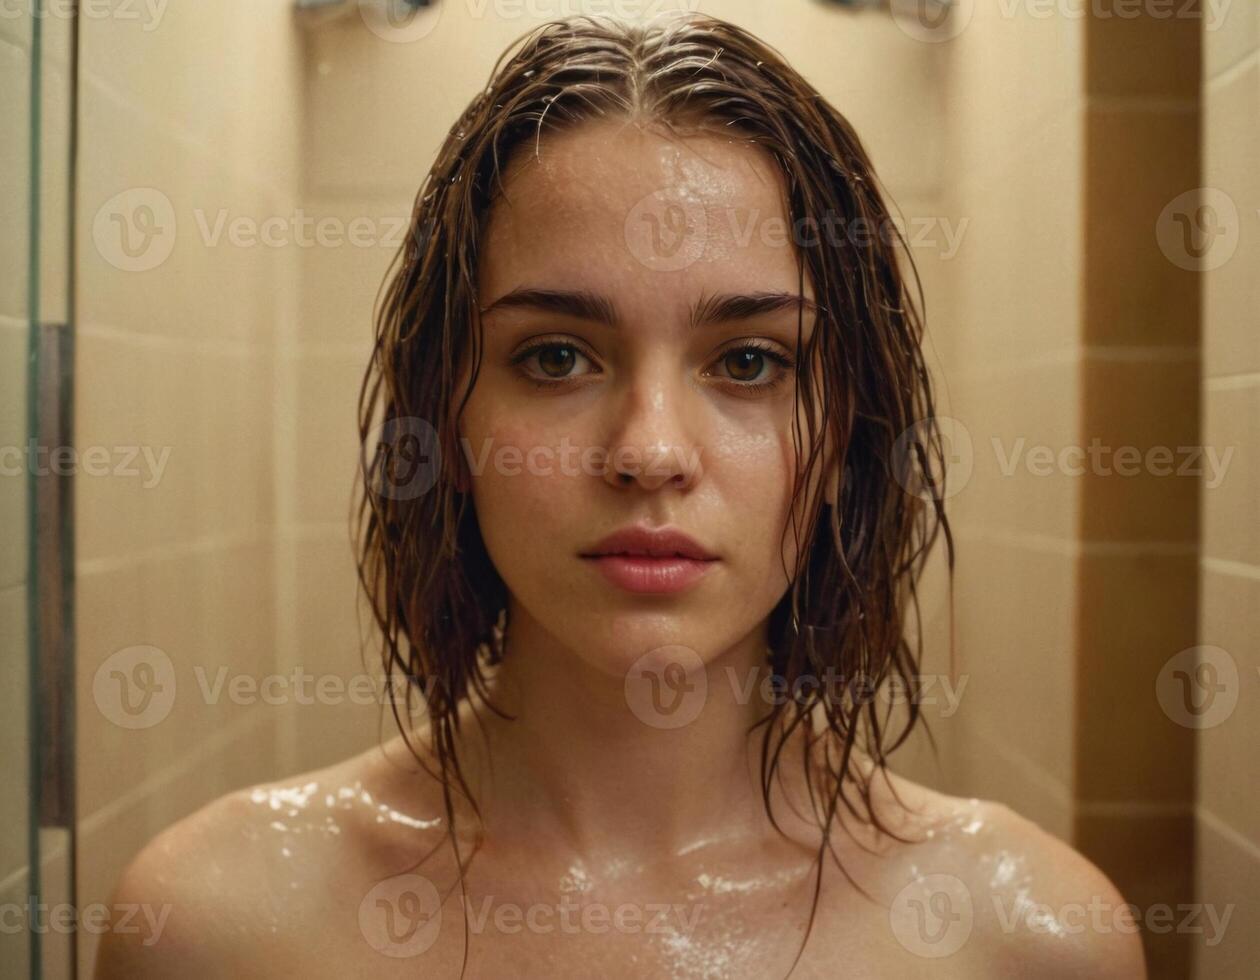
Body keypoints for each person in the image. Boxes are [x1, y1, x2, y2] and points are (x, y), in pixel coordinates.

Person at [97, 14, 1146, 978]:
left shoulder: (1026, 936)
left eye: (748, 362)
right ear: (446, 423)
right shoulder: (222, 921)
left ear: (846, 442)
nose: (649, 451)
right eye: (556, 356)